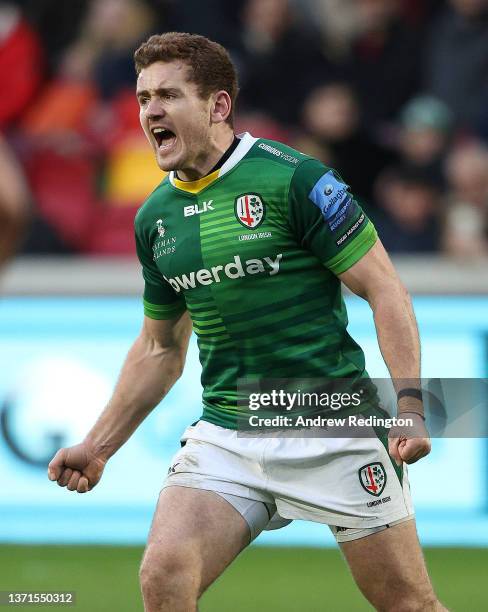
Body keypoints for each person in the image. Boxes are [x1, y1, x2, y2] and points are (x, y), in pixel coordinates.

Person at [48, 32, 447, 612]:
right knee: (163, 575)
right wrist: (100, 445)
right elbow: (160, 349)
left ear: (218, 105)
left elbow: (385, 291)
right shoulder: (155, 218)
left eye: (168, 95)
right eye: (142, 98)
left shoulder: (296, 180)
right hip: (229, 431)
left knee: (409, 605)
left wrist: (410, 404)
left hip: (330, 424)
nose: (150, 111)